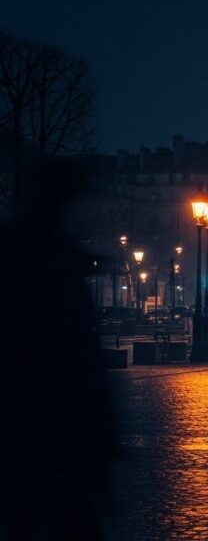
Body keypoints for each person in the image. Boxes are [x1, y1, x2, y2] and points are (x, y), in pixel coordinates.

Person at [0, 160, 118, 540]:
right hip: (50, 441)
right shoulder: (48, 268)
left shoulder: (34, 259)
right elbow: (73, 360)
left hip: (40, 442)